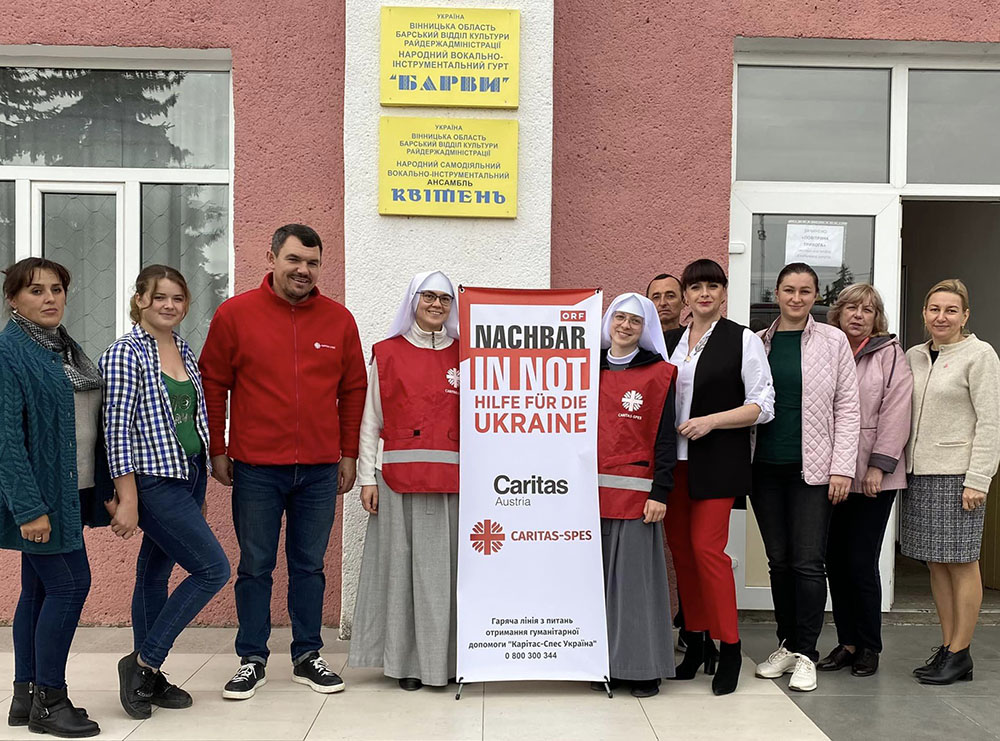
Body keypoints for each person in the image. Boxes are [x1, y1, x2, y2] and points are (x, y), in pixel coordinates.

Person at [199, 224, 368, 699]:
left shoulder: (338, 320)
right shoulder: (235, 315)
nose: (303, 270)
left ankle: (306, 655)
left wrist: (349, 454)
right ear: (270, 257)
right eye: (294, 259)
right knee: (255, 566)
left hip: (318, 469)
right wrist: (218, 448)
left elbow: (354, 389)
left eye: (313, 263)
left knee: (309, 566)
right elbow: (214, 385)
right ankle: (251, 658)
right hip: (255, 467)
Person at [100, 265, 231, 719]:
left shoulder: (183, 349)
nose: (170, 305)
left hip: (187, 475)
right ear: (140, 300)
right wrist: (129, 498)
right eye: (160, 298)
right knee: (213, 570)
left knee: (154, 575)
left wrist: (205, 470)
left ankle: (149, 679)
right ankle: (142, 662)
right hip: (153, 482)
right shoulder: (125, 354)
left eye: (178, 298)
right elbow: (116, 432)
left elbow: (192, 417)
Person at [0, 257, 106, 738]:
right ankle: (50, 699)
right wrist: (29, 509)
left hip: (68, 493)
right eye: (36, 290)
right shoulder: (10, 352)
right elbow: (5, 440)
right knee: (70, 586)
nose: (50, 298)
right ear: (12, 299)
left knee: (40, 591)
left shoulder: (62, 349)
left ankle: (25, 697)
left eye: (57, 289)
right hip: (40, 503)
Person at [664, 259, 774, 696]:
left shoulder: (742, 339)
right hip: (674, 463)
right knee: (682, 555)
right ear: (685, 296)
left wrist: (711, 421)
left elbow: (762, 405)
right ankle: (696, 642)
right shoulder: (670, 340)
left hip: (717, 461)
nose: (704, 294)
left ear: (723, 293)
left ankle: (730, 646)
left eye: (713, 286)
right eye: (696, 287)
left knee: (708, 551)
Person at [349, 271, 460, 691]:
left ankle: (444, 662)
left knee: (443, 576)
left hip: (453, 483)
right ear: (413, 300)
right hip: (394, 479)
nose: (436, 304)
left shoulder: (466, 356)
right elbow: (371, 419)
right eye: (428, 296)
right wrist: (366, 479)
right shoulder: (387, 352)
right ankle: (404, 664)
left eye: (444, 299)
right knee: (400, 574)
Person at [752, 262, 859, 693]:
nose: (797, 298)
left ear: (817, 297)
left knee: (808, 563)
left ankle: (807, 654)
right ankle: (787, 643)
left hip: (813, 471)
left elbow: (849, 408)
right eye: (789, 290)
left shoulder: (833, 341)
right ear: (776, 293)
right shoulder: (758, 342)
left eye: (806, 291)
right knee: (778, 561)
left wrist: (841, 468)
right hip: (765, 469)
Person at [903, 279, 1000, 685]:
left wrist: (978, 478)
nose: (941, 317)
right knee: (937, 564)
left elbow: (991, 421)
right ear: (925, 314)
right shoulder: (913, 355)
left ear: (965, 316)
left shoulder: (979, 355)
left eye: (950, 310)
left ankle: (961, 651)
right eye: (934, 309)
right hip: (919, 473)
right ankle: (948, 647)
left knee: (962, 563)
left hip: (959, 475)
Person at [817, 284, 912, 678]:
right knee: (835, 561)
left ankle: (869, 645)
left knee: (860, 560)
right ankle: (848, 642)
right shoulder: (826, 348)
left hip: (874, 477)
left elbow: (897, 409)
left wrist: (878, 465)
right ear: (838, 312)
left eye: (868, 310)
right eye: (852, 307)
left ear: (877, 318)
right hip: (830, 473)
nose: (858, 315)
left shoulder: (890, 354)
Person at [593, 292, 677, 698]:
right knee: (595, 585)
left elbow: (664, 440)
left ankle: (642, 668)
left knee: (635, 585)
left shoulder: (660, 374)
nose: (625, 326)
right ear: (608, 322)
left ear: (646, 330)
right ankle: (602, 663)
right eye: (619, 318)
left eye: (635, 321)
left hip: (638, 496)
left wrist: (660, 491)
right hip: (587, 496)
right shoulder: (584, 371)